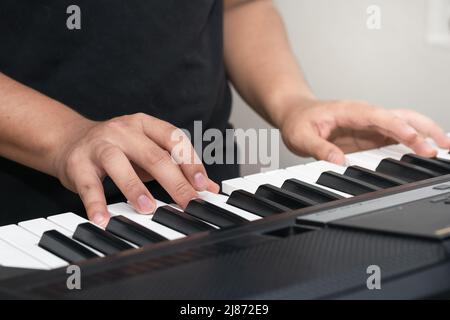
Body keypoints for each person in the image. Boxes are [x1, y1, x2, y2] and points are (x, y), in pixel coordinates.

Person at [0, 0, 448, 227]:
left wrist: (293, 103)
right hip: (31, 209)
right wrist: (66, 137)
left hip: (208, 196)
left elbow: (240, 5)